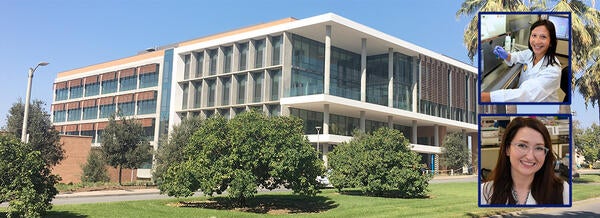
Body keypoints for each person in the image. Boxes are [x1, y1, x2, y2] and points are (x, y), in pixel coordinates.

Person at [480, 117, 569, 205]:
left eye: (539, 148)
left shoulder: (562, 190)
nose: (530, 156)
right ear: (507, 149)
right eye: (522, 146)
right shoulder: (486, 192)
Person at [481, 19, 562, 102]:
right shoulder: (530, 53)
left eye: (543, 37)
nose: (537, 41)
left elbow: (525, 94)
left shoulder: (553, 71)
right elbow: (516, 56)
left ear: (551, 42)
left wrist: (487, 97)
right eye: (534, 35)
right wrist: (506, 55)